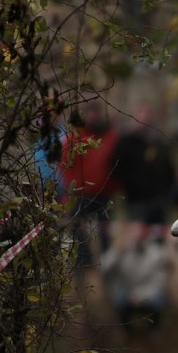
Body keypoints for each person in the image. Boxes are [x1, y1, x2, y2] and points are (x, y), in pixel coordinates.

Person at [59, 101, 120, 267]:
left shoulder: (111, 136)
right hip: (80, 196)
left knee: (105, 237)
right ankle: (83, 271)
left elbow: (118, 164)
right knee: (80, 238)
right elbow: (65, 165)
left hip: (105, 196)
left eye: (96, 112)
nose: (93, 116)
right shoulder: (75, 137)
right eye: (89, 113)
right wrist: (74, 187)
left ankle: (106, 273)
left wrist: (114, 187)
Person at [110, 105, 176, 225]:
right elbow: (117, 169)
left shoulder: (159, 143)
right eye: (142, 116)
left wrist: (166, 191)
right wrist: (131, 186)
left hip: (159, 201)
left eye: (148, 116)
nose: (145, 120)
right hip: (136, 202)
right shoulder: (126, 143)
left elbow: (169, 169)